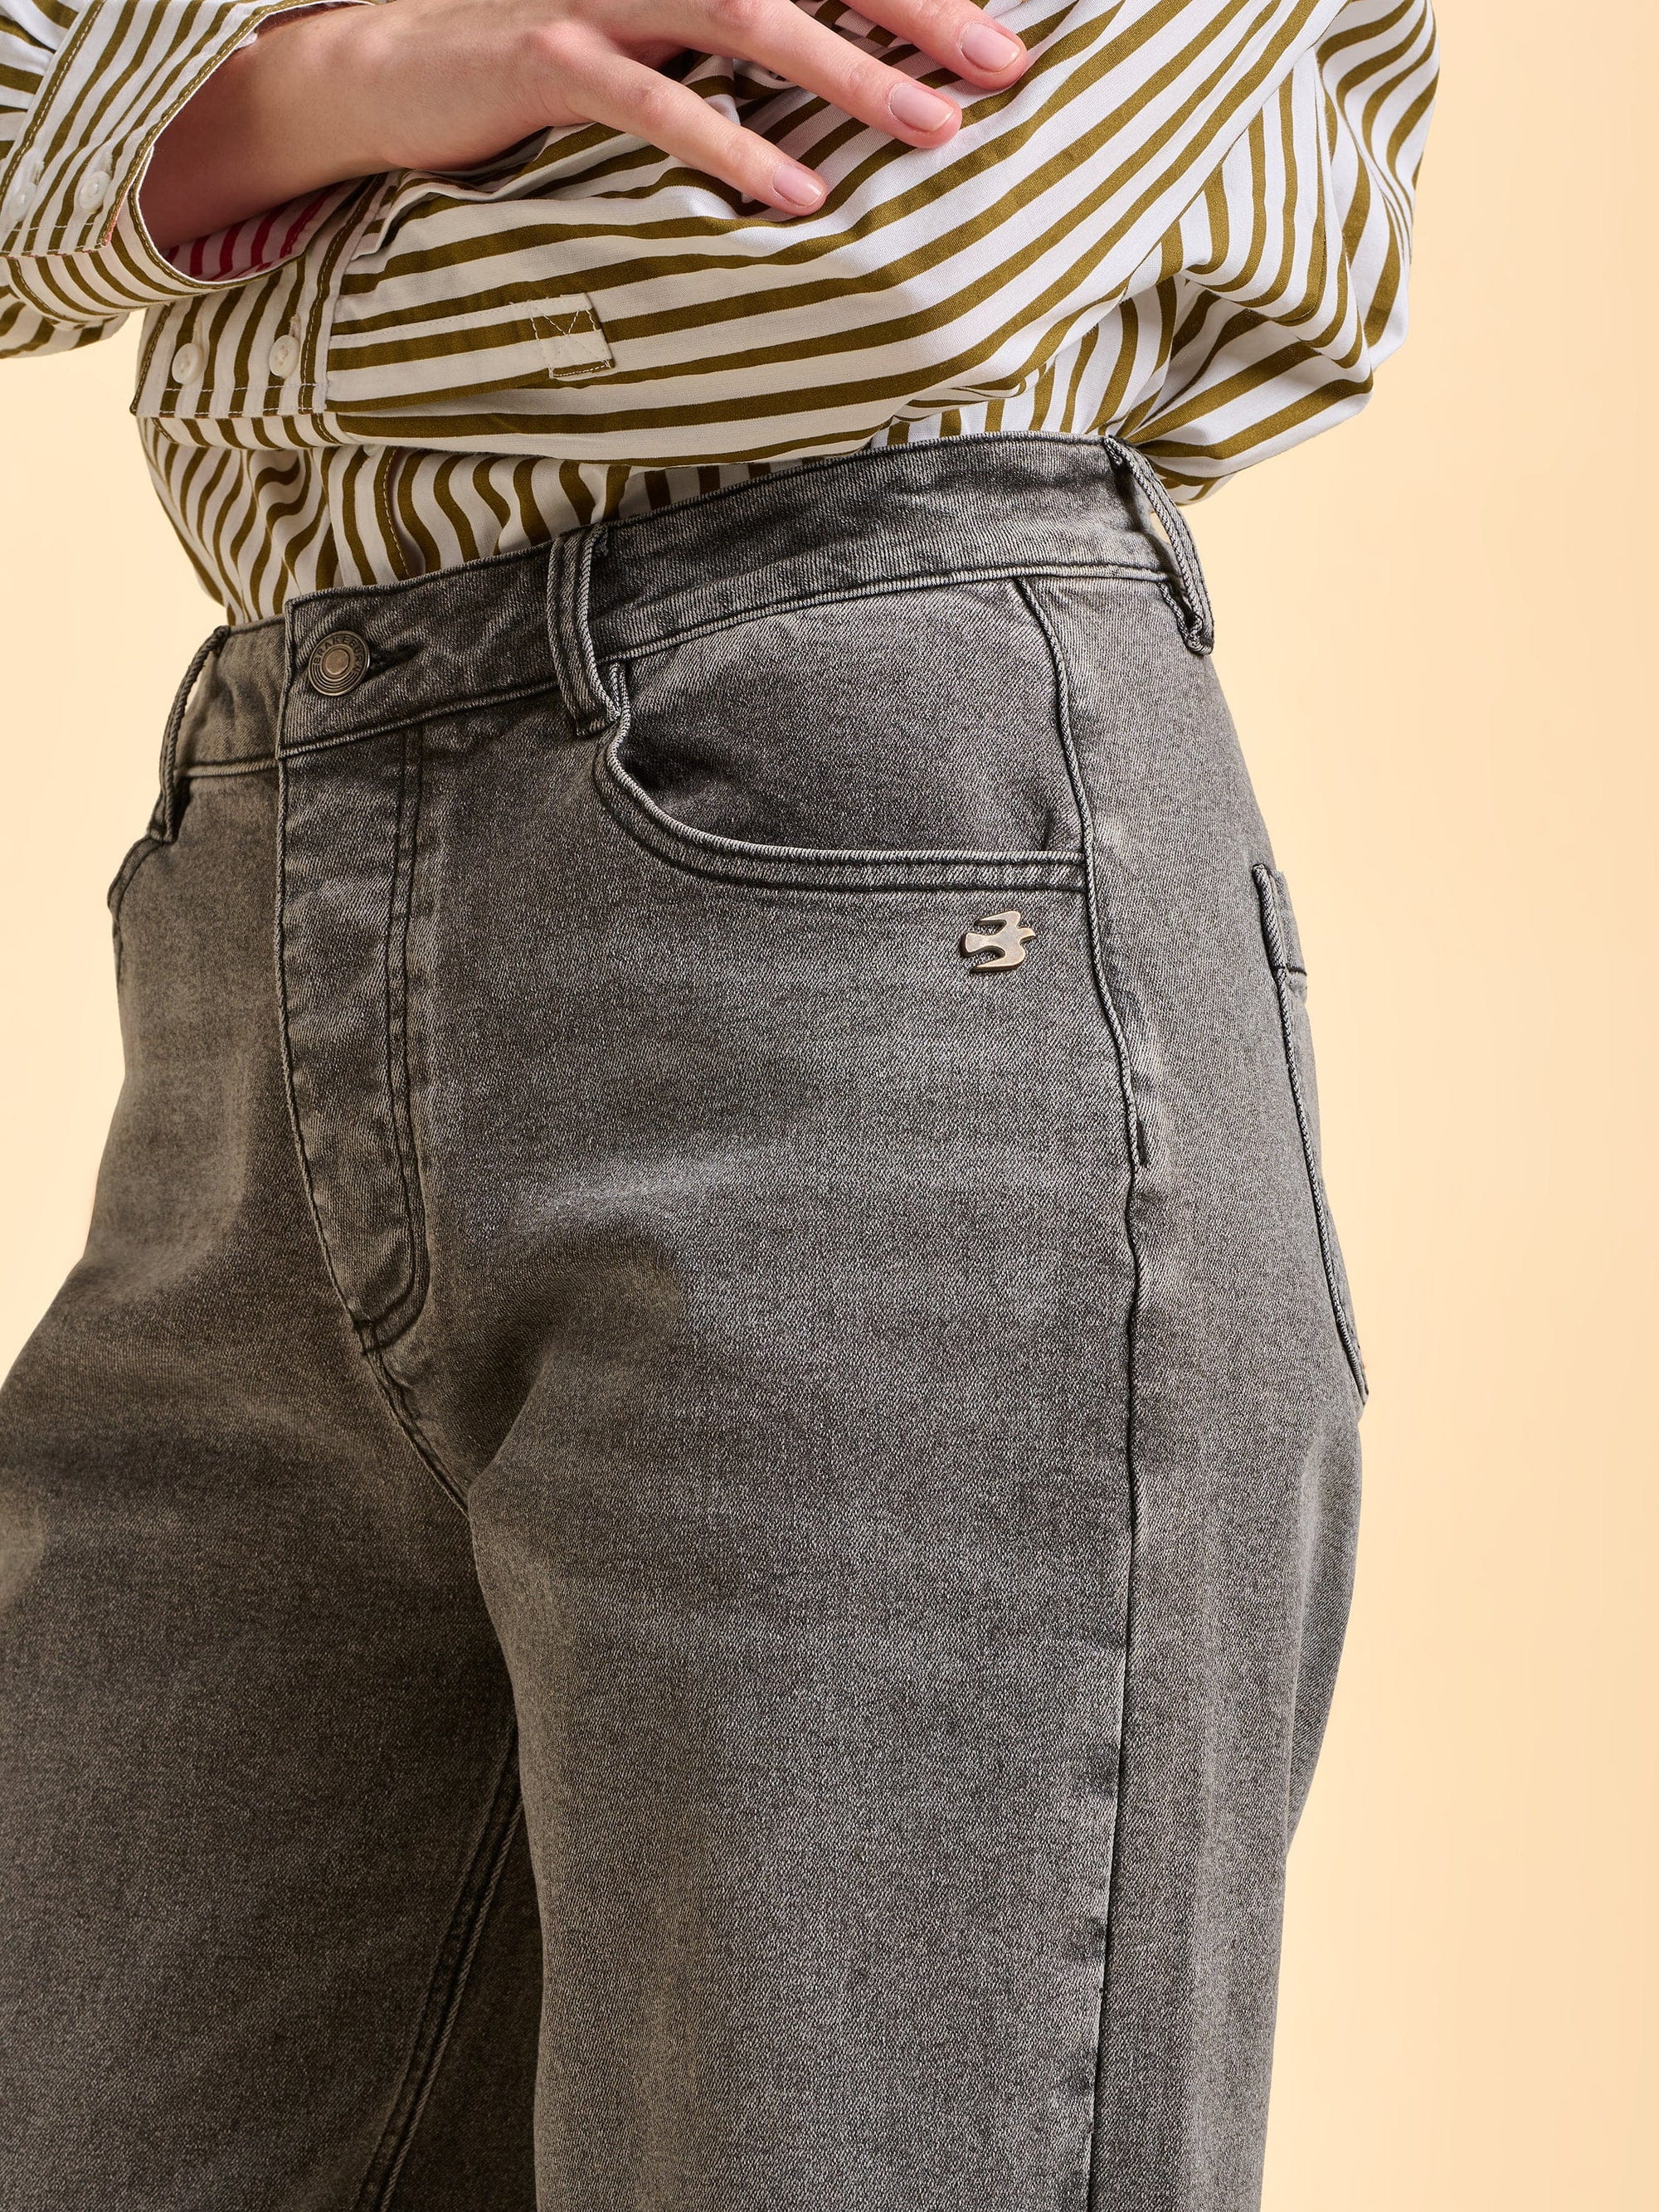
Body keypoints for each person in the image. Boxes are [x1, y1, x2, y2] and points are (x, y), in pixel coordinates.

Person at [0, 1, 1437, 2205]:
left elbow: (891, 224)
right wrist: (332, 71)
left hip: (855, 852)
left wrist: (195, 108)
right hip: (266, 892)